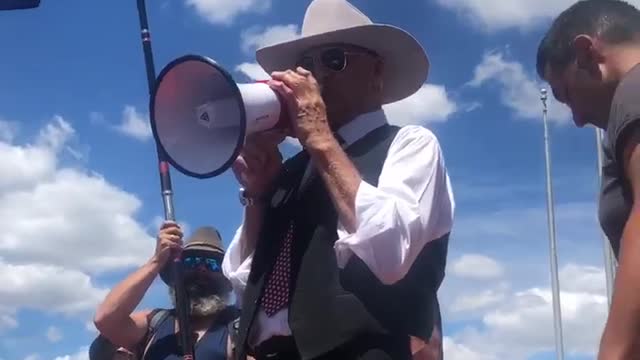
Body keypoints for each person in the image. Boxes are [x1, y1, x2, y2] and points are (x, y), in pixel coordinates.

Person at [222, 0, 455, 359]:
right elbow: (245, 283)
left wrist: (319, 138)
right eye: (307, 65)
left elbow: (390, 252)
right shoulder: (293, 170)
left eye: (334, 59)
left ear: (376, 71)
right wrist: (258, 196)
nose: (317, 76)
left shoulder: (410, 143)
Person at [537, 0, 640, 358]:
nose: (578, 119)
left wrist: (615, 352)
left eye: (567, 95)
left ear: (586, 52)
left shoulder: (634, 89)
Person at [93, 223, 240, 360]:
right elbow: (106, 319)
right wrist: (157, 261)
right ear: (176, 274)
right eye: (191, 261)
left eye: (212, 264)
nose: (201, 269)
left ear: (226, 278)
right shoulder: (155, 324)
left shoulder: (239, 325)